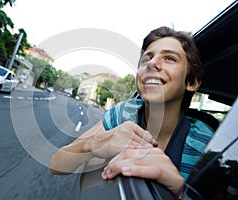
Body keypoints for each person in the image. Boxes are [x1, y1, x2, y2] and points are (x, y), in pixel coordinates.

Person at [50, 26, 214, 196]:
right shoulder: (122, 113)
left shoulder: (206, 144)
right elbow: (56, 165)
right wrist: (93, 144)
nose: (151, 63)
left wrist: (180, 190)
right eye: (146, 59)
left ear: (192, 82)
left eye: (170, 58)